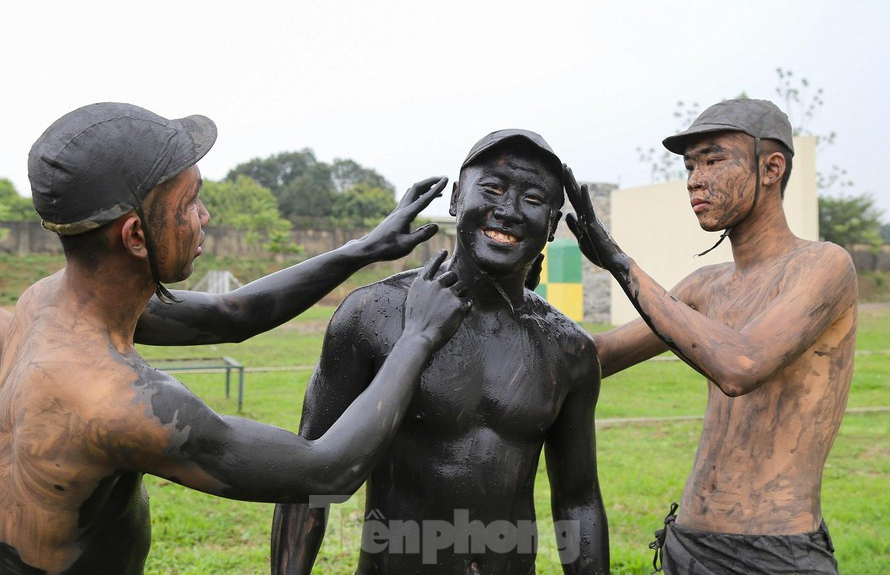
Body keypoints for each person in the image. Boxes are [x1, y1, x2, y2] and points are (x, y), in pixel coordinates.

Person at [0, 102, 470, 574]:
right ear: (135, 236)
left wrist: (361, 251)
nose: (204, 217)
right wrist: (419, 334)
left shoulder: (45, 305)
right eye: (188, 204)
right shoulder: (120, 405)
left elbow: (232, 314)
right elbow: (326, 472)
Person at [272, 129, 609, 574]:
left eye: (532, 198)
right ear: (454, 200)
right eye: (491, 189)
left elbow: (578, 500)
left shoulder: (568, 349)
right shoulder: (374, 315)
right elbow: (306, 479)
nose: (507, 210)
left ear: (551, 223)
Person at [565, 99, 854, 574]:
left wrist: (621, 264)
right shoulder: (706, 286)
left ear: (771, 168)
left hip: (775, 555)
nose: (695, 179)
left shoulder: (823, 265)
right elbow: (596, 355)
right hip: (689, 543)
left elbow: (741, 366)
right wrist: (505, 297)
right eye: (690, 165)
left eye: (714, 160)